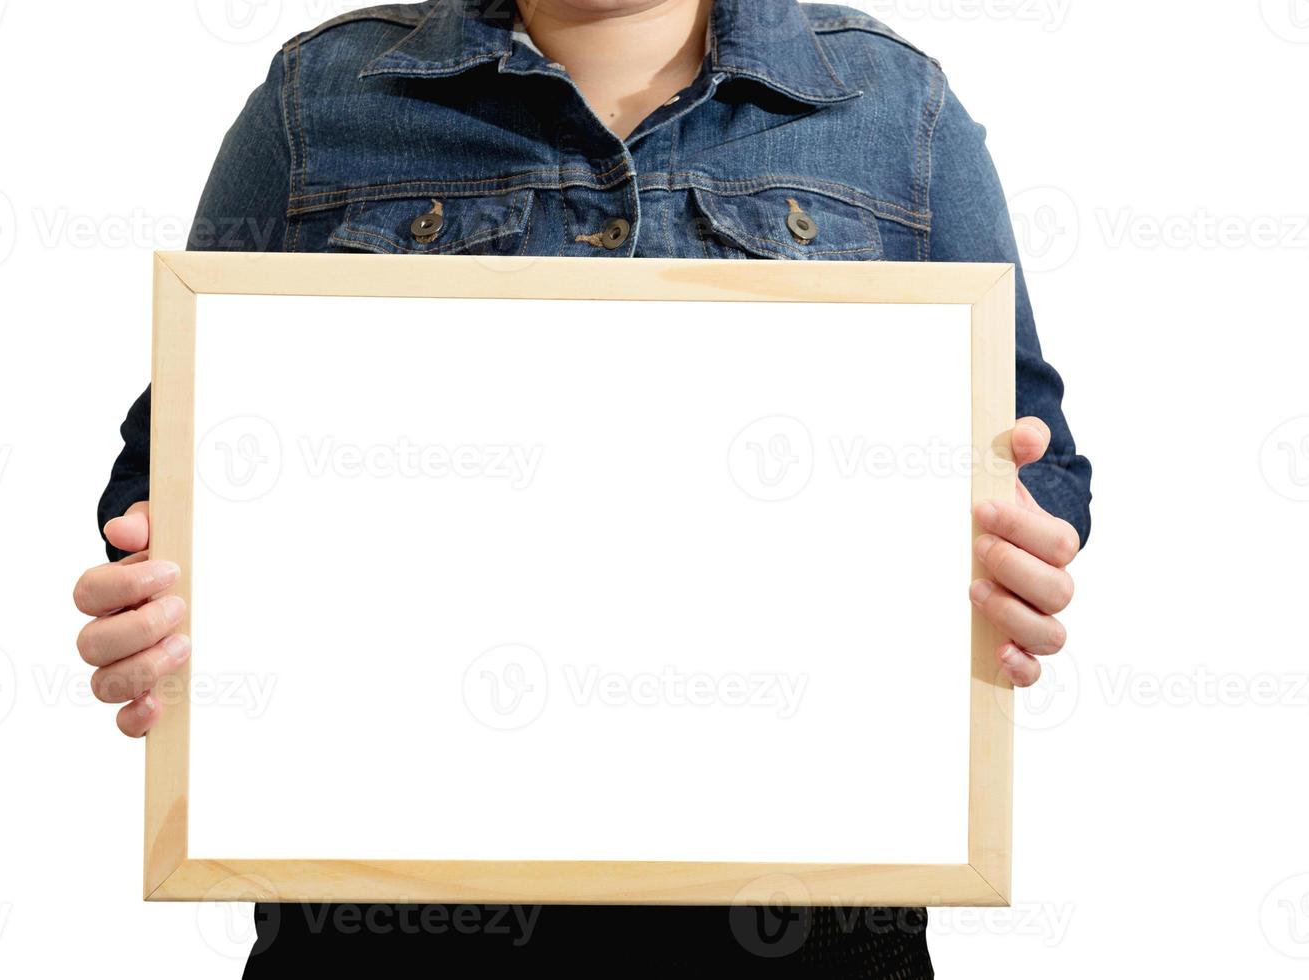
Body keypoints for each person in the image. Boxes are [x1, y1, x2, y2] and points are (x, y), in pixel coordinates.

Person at [72, 0, 1092, 973]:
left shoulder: (890, 106)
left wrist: (1024, 546)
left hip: (804, 917)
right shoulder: (319, 100)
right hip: (379, 914)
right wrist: (150, 590)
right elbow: (173, 457)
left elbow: (1028, 443)